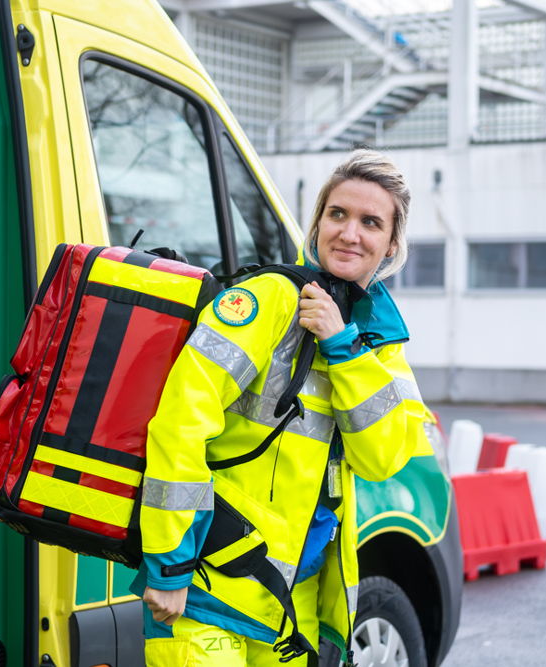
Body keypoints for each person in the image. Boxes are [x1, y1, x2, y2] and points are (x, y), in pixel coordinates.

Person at [132, 149, 431, 666]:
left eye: (370, 222)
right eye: (337, 214)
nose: (349, 233)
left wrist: (344, 348)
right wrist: (169, 564)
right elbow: (180, 422)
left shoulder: (380, 344)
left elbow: (383, 457)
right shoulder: (269, 298)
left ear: (391, 244)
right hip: (208, 590)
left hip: (293, 606)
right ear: (317, 222)